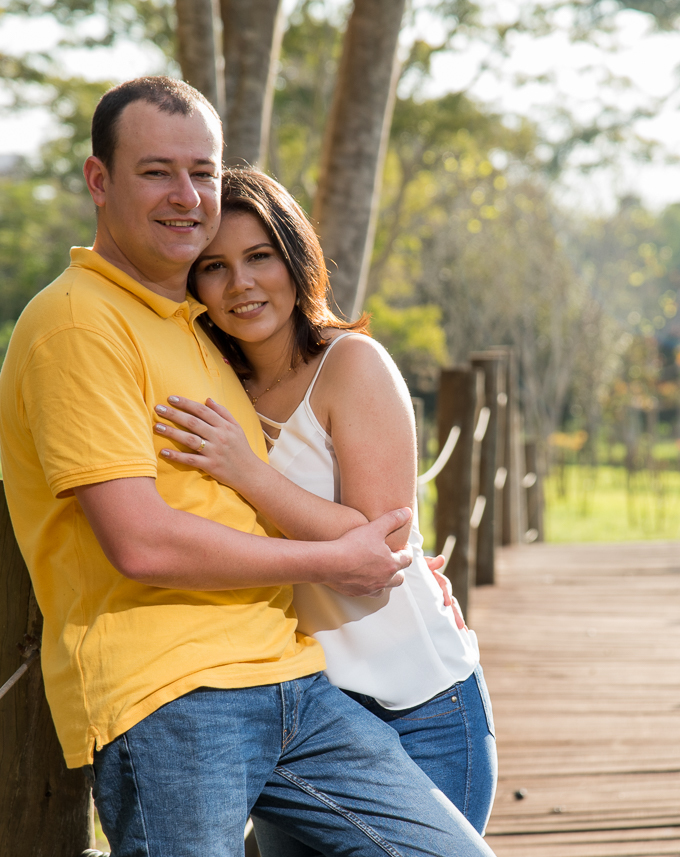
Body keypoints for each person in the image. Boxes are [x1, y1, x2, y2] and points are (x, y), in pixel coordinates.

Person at [0, 75, 495, 856]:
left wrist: (367, 550)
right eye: (155, 170)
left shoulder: (196, 328)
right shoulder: (76, 324)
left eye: (202, 171)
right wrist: (334, 555)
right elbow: (143, 543)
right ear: (99, 180)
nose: (185, 194)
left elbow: (354, 510)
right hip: (174, 693)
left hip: (300, 681)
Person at [150, 168, 497, 849]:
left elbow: (380, 551)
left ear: (294, 257)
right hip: (304, 718)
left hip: (420, 704)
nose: (241, 284)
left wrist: (246, 471)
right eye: (215, 267)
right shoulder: (212, 390)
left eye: (259, 257)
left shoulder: (351, 365)